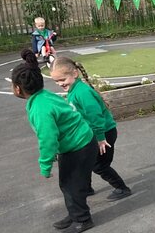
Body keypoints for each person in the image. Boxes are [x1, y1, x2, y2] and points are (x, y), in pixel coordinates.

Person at [11, 50, 97, 233]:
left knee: (71, 186)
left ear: (18, 88)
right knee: (68, 184)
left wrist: (45, 165)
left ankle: (82, 219)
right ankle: (74, 214)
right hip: (81, 142)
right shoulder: (44, 96)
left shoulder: (40, 107)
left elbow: (48, 138)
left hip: (78, 147)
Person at [50, 57, 132, 201]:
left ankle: (122, 188)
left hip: (104, 133)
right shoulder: (74, 90)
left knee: (100, 165)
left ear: (75, 73)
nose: (60, 84)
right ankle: (86, 188)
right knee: (87, 161)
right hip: (94, 133)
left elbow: (95, 116)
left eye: (62, 79)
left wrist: (100, 138)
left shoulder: (82, 92)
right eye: (56, 81)